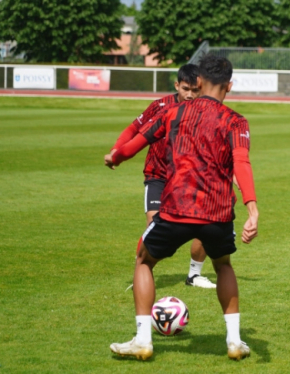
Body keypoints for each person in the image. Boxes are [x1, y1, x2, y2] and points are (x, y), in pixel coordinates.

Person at [105, 54, 259, 361]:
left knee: (144, 261)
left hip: (175, 209)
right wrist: (252, 210)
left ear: (198, 81)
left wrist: (116, 157)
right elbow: (241, 163)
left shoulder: (172, 112)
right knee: (223, 265)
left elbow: (137, 142)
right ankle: (233, 342)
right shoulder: (236, 121)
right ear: (229, 85)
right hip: (217, 214)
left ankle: (143, 340)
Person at [109, 64, 216, 289]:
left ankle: (194, 275)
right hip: (158, 175)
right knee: (154, 226)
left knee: (205, 223)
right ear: (177, 85)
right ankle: (142, 272)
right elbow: (132, 130)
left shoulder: (206, 111)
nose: (190, 95)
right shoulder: (160, 106)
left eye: (195, 90)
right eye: (186, 89)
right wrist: (116, 150)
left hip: (189, 179)